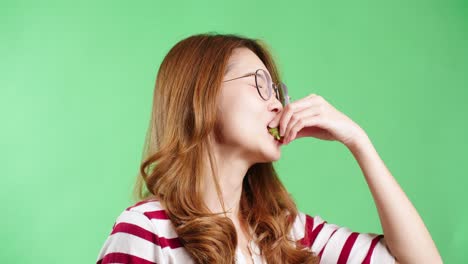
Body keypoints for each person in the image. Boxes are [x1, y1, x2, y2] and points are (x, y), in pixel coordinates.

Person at [96, 33, 442, 264]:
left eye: (277, 90)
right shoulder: (148, 230)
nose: (278, 105)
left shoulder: (288, 234)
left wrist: (358, 141)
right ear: (202, 95)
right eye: (259, 84)